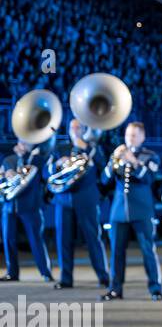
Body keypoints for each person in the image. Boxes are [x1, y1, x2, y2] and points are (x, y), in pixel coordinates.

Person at [102, 122, 162, 301]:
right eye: (128, 135)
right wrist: (113, 160)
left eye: (135, 135)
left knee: (148, 250)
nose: (130, 138)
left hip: (142, 210)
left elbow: (149, 178)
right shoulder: (118, 156)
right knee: (116, 252)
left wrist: (134, 161)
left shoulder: (150, 156)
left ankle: (155, 288)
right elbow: (105, 180)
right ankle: (115, 289)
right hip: (119, 211)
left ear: (142, 137)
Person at [46, 119, 110, 289]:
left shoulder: (93, 147)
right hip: (63, 200)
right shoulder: (61, 149)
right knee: (63, 240)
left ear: (83, 130)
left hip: (86, 199)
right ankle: (66, 279)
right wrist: (58, 164)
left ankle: (103, 276)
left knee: (93, 238)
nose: (75, 130)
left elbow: (103, 167)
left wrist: (87, 148)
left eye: (78, 127)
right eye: (72, 127)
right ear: (68, 130)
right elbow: (48, 171)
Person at [2, 139, 52, 282]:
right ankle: (12, 272)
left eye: (26, 142)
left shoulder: (37, 160)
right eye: (21, 142)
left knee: (36, 239)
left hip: (30, 206)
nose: (23, 144)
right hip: (9, 205)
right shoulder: (9, 159)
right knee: (8, 240)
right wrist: (9, 172)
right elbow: (6, 173)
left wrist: (25, 157)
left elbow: (44, 174)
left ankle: (45, 272)